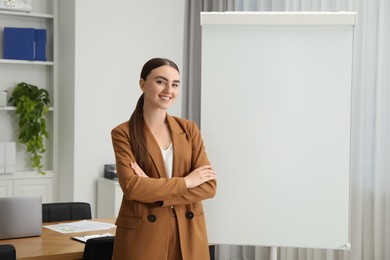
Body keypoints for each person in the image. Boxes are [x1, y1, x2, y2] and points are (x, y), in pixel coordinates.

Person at [111, 57, 217, 260]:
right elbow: (132, 187)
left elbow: (209, 186)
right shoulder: (123, 133)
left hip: (188, 232)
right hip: (144, 237)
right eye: (161, 81)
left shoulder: (189, 129)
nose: (169, 90)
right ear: (142, 84)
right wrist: (187, 182)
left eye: (175, 84)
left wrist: (152, 188)